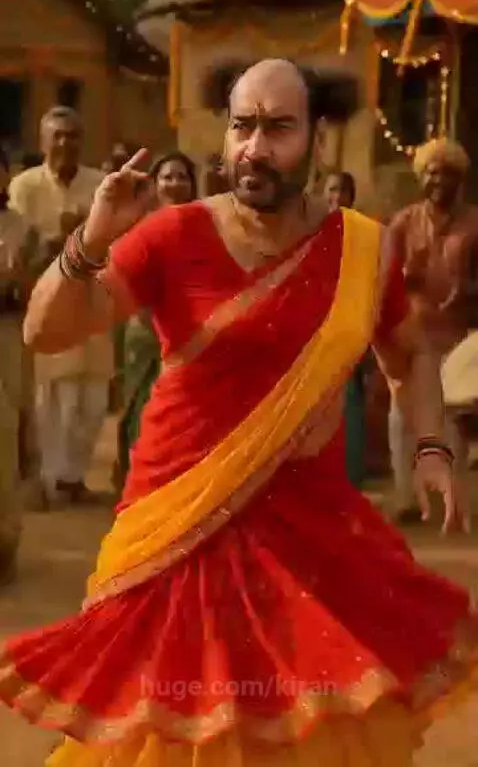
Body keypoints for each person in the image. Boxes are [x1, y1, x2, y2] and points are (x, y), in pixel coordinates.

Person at [0, 59, 475, 767]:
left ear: (318, 141)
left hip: (311, 543)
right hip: (177, 533)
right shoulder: (173, 235)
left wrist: (432, 448)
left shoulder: (362, 250)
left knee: (310, 737)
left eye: (278, 128)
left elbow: (409, 359)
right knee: (168, 735)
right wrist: (91, 241)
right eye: (242, 126)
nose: (255, 147)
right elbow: (46, 331)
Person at [8, 106, 114, 505]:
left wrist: (87, 238)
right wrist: (63, 241)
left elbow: (115, 237)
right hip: (46, 304)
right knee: (52, 396)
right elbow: (18, 245)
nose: (66, 143)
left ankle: (74, 477)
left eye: (73, 135)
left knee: (92, 396)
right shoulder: (24, 187)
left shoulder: (99, 185)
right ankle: (52, 479)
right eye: (58, 135)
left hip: (92, 302)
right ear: (43, 141)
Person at [388, 138, 478, 526]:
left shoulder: (474, 223)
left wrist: (469, 289)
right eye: (431, 173)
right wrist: (403, 277)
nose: (438, 180)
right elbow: (380, 277)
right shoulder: (404, 223)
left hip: (458, 335)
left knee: (454, 418)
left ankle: (453, 501)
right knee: (403, 414)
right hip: (410, 333)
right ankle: (407, 498)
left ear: (461, 179)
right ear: (420, 177)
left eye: (447, 174)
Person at [117, 152, 198, 487]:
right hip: (145, 333)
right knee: (141, 411)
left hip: (191, 338)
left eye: (182, 177)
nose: (175, 184)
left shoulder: (206, 227)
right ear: (153, 184)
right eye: (167, 177)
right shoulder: (139, 228)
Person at [0, 147, 40, 579]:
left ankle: (4, 544)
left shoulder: (22, 229)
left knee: (6, 436)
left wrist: (15, 281)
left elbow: (33, 291)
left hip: (7, 339)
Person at [324, 170, 368, 488]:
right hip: (315, 331)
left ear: (352, 196)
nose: (337, 196)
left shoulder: (363, 235)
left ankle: (350, 478)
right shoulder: (308, 232)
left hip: (351, 326)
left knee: (350, 400)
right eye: (332, 189)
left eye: (343, 190)